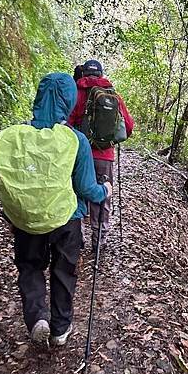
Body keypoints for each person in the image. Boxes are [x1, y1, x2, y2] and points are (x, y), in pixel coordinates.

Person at [12, 73, 112, 346]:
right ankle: (60, 328)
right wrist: (105, 190)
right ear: (68, 101)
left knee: (30, 267)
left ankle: (37, 320)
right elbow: (87, 190)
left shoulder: (18, 135)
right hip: (66, 220)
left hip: (27, 219)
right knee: (63, 270)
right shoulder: (75, 141)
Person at [68, 59, 134, 251]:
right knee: (102, 195)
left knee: (77, 191)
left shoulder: (76, 93)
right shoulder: (112, 95)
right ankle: (99, 239)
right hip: (104, 156)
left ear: (84, 73)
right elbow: (128, 127)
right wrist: (110, 140)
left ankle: (76, 236)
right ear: (101, 74)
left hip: (79, 153)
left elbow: (68, 124)